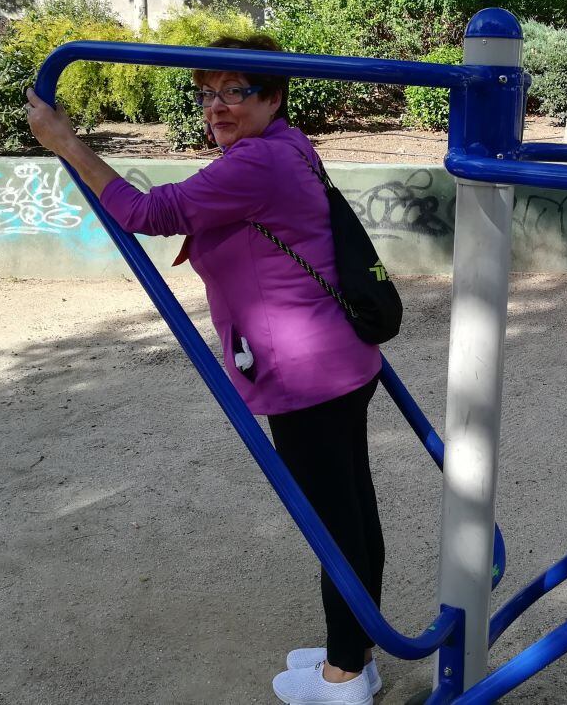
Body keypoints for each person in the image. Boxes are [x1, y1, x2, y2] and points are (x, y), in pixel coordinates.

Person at [26, 35, 385, 705]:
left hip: (305, 373)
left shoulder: (257, 166)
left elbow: (147, 213)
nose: (217, 106)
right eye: (207, 91)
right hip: (337, 360)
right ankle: (355, 650)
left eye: (236, 91)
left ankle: (346, 675)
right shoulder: (284, 146)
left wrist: (66, 142)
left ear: (273, 97)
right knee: (349, 509)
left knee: (334, 521)